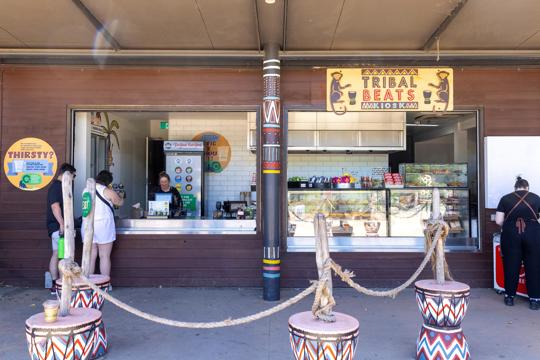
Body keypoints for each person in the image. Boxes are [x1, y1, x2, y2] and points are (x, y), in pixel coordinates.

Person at [495, 176, 540, 310]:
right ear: (527, 188)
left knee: (511, 265)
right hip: (533, 234)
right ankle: (535, 300)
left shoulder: (505, 198)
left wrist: (509, 226)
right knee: (534, 266)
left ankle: (509, 297)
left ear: (515, 188)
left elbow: (498, 221)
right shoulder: (536, 198)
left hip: (511, 234)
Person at [84, 170, 124, 277]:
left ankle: (89, 283)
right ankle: (105, 284)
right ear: (108, 182)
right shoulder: (106, 191)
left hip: (87, 225)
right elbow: (119, 202)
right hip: (103, 225)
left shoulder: (85, 190)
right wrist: (121, 195)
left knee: (91, 255)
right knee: (104, 256)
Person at [46, 163, 76, 294]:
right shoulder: (57, 187)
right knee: (61, 255)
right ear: (66, 174)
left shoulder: (58, 186)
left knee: (58, 254)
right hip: (59, 228)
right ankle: (59, 285)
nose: (74, 179)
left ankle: (56, 284)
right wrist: (63, 224)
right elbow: (55, 207)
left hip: (57, 227)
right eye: (73, 176)